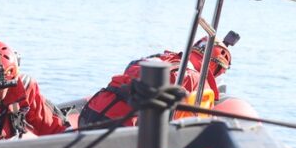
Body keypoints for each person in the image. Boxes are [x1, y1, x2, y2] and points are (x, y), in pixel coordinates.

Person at [79, 36, 235, 128]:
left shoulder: (164, 57)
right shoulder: (195, 80)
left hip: (91, 113)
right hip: (122, 127)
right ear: (218, 69)